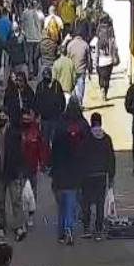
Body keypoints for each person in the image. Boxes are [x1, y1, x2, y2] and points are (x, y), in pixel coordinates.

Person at [51, 99, 89, 245]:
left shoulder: (60, 126)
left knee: (61, 207)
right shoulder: (83, 125)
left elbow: (54, 151)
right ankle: (69, 230)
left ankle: (61, 234)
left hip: (60, 174)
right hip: (75, 174)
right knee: (71, 205)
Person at [0, 108, 27, 241]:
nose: (1, 118)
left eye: (4, 115)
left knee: (16, 201)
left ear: (8, 118)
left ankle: (18, 226)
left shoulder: (14, 134)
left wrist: (20, 172)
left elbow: (20, 154)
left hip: (12, 174)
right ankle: (1, 227)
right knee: (0, 203)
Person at [79, 113, 115, 240]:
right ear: (101, 123)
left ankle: (87, 228)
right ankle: (98, 230)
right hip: (101, 175)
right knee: (100, 203)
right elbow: (111, 159)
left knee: (86, 202)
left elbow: (81, 157)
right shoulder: (106, 139)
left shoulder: (86, 138)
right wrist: (111, 176)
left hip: (87, 175)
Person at [20, 108, 49, 227]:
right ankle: (21, 217)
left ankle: (30, 215)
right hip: (20, 168)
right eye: (24, 115)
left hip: (32, 168)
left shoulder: (36, 131)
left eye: (28, 115)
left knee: (32, 194)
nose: (26, 117)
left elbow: (42, 149)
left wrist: (42, 164)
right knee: (20, 194)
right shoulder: (17, 130)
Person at [34, 67, 65, 148]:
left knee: (55, 140)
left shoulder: (57, 85)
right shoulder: (40, 86)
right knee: (45, 141)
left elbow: (62, 100)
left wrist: (60, 112)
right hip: (45, 119)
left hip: (55, 118)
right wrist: (37, 114)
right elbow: (36, 102)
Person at [92, 16, 119, 101]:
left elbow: (94, 49)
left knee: (101, 76)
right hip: (109, 60)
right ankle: (105, 93)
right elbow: (115, 48)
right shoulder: (111, 36)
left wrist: (95, 62)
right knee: (107, 77)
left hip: (100, 60)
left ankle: (102, 88)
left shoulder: (98, 37)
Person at [21, 0, 44, 77]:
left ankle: (30, 72)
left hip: (28, 38)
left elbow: (22, 24)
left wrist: (23, 32)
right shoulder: (35, 13)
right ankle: (35, 71)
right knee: (36, 56)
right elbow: (38, 24)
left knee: (30, 56)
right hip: (36, 38)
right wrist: (40, 35)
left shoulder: (24, 13)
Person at [65, 35, 91, 105]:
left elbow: (67, 57)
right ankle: (79, 102)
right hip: (82, 69)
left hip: (72, 69)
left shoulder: (70, 45)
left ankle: (74, 102)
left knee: (72, 86)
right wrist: (89, 70)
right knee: (81, 85)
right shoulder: (85, 44)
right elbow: (88, 59)